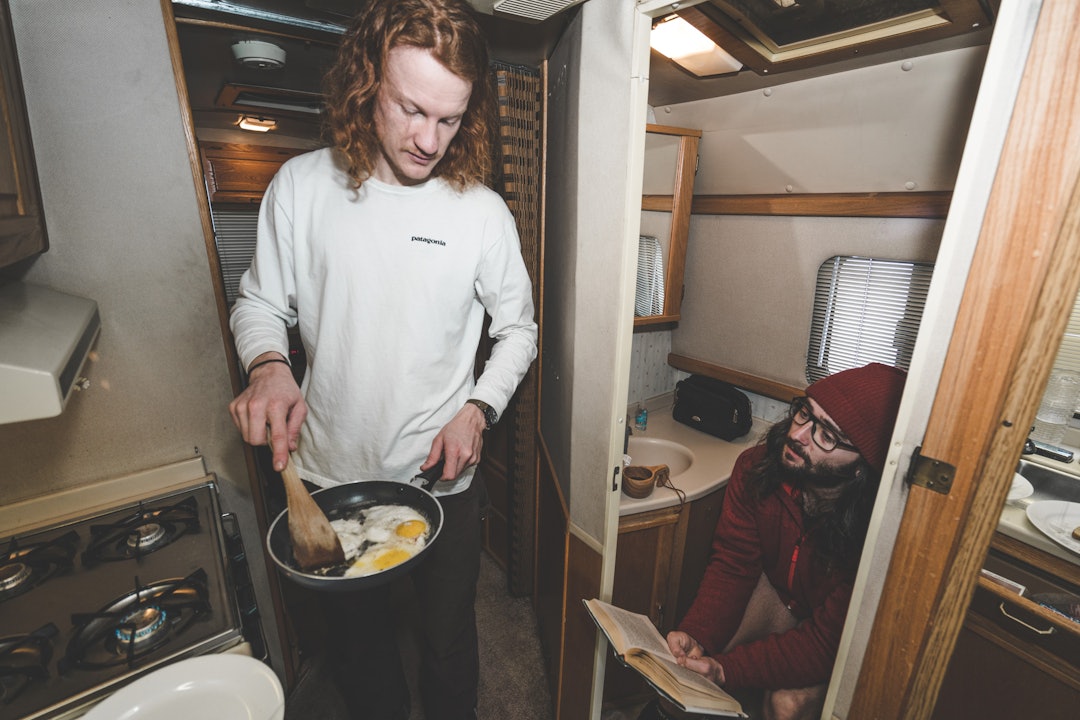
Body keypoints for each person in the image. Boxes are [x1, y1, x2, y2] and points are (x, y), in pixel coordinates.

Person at [227, 0, 537, 717]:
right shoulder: (300, 186)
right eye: (412, 109)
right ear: (368, 83)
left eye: (450, 119)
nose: (430, 140)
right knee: (360, 649)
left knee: (449, 640)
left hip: (442, 480)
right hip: (330, 477)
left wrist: (477, 410)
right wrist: (268, 364)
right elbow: (259, 303)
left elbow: (518, 330)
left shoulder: (482, 212)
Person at [649, 363, 906, 720]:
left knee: (785, 706)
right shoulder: (755, 468)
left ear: (862, 466)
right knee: (688, 675)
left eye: (827, 435)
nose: (798, 434)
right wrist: (697, 634)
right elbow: (733, 565)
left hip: (844, 638)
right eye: (805, 413)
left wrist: (727, 670)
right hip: (782, 594)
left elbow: (823, 643)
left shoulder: (876, 532)